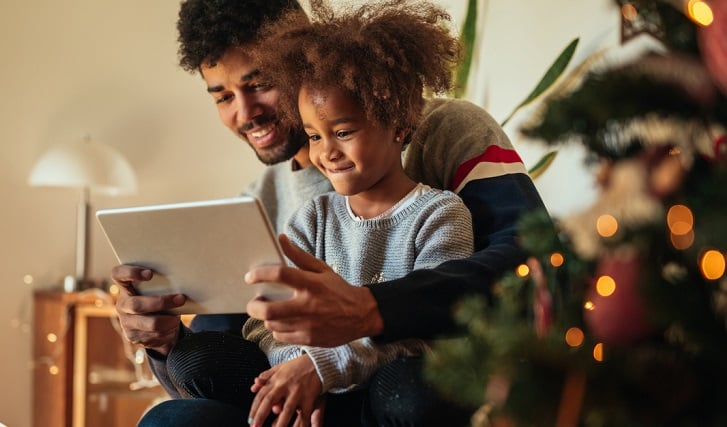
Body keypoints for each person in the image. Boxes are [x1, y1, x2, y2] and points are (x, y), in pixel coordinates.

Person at [113, 0, 548, 425]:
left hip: (402, 379)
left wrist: (370, 312)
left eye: (259, 82)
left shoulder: (445, 132)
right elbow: (221, 361)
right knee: (174, 417)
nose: (245, 113)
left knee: (410, 393)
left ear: (301, 62)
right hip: (298, 399)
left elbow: (531, 260)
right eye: (223, 96)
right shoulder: (257, 204)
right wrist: (164, 341)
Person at [241, 3, 474, 425]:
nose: (326, 152)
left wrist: (322, 368)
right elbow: (267, 321)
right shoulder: (312, 219)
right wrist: (302, 370)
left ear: (400, 124)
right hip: (315, 397)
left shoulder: (440, 214)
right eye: (314, 135)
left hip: (385, 397)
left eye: (343, 132)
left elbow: (427, 332)